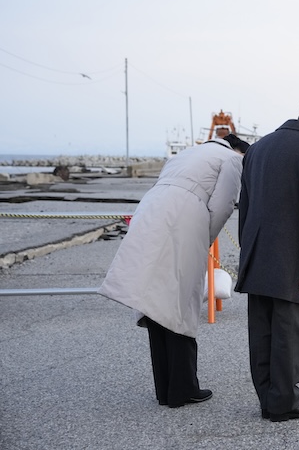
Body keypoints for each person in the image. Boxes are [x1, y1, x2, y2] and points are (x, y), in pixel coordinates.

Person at [99, 133, 249, 408]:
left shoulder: (184, 155)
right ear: (240, 150)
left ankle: (164, 388)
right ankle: (183, 389)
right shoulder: (232, 159)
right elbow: (224, 204)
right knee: (181, 301)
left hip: (150, 211)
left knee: (154, 298)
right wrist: (205, 237)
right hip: (184, 217)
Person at [235, 96, 299, 422]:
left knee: (262, 333)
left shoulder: (258, 147)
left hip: (256, 256)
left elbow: (245, 206)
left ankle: (268, 398)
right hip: (293, 260)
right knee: (289, 333)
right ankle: (284, 402)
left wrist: (247, 250)